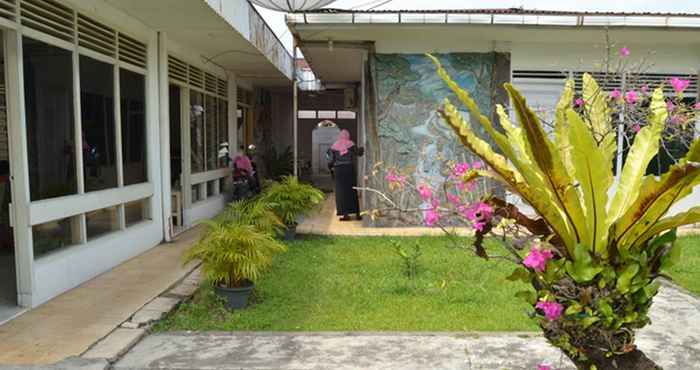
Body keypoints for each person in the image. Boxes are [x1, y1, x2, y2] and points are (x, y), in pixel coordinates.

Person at [327, 130, 364, 221]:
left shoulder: (334, 146)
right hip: (349, 170)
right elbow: (359, 153)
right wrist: (363, 147)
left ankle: (345, 215)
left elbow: (330, 161)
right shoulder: (351, 144)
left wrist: (331, 168)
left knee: (341, 193)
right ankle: (357, 214)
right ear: (348, 136)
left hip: (339, 171)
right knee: (352, 191)